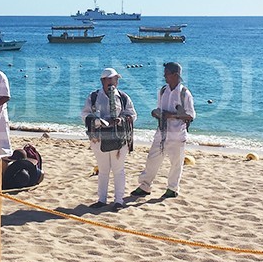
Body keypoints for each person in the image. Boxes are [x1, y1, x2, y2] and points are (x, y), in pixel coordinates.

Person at [131, 62, 195, 199]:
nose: (164, 76)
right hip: (161, 132)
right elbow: (159, 109)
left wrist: (171, 115)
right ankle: (145, 186)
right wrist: (156, 113)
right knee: (152, 159)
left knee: (176, 163)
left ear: (175, 75)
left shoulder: (185, 93)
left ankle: (172, 189)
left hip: (177, 134)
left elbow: (190, 116)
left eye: (166, 73)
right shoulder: (163, 91)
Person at [81, 68, 136, 208]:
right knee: (103, 169)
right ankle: (102, 200)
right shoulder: (93, 96)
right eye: (110, 79)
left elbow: (132, 115)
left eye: (115, 79)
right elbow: (85, 115)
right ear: (103, 81)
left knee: (118, 169)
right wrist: (98, 121)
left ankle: (119, 200)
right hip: (99, 138)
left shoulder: (123, 97)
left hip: (119, 137)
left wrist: (120, 120)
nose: (113, 82)